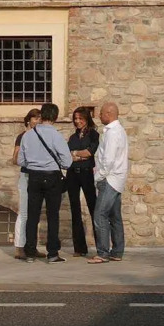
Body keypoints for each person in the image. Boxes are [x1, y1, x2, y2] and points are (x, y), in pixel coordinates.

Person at [17, 102, 73, 263]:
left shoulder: (28, 135)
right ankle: (53, 253)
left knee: (32, 215)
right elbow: (67, 162)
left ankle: (29, 252)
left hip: (34, 177)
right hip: (52, 177)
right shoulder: (56, 135)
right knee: (52, 215)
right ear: (55, 117)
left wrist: (34, 164)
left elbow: (21, 160)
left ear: (41, 115)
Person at [89, 100, 128, 264]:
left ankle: (103, 252)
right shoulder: (118, 131)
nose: (99, 115)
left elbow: (109, 159)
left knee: (100, 215)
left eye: (102, 113)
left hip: (109, 179)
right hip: (116, 178)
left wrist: (99, 176)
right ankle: (117, 251)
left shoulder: (112, 133)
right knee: (115, 216)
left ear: (109, 114)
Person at [66, 106, 100, 256]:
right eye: (75, 118)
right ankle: (79, 248)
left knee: (94, 208)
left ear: (87, 119)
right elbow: (68, 156)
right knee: (75, 209)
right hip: (72, 174)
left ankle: (101, 246)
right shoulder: (73, 138)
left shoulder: (94, 135)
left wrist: (76, 154)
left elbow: (89, 152)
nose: (77, 121)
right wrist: (79, 155)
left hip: (87, 173)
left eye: (80, 118)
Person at [11, 109, 41, 260]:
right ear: (28, 120)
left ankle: (31, 247)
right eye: (34, 118)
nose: (36, 121)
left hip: (38, 176)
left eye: (39, 118)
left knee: (35, 214)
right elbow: (15, 159)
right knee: (24, 212)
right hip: (26, 175)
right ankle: (19, 247)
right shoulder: (22, 137)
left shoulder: (42, 136)